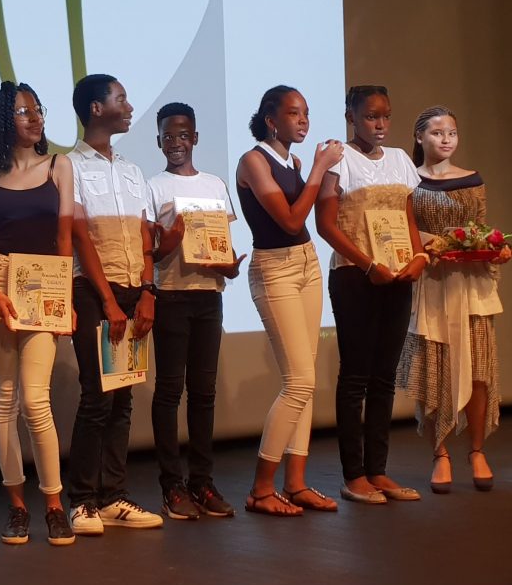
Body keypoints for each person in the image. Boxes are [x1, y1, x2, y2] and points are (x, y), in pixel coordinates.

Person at [0, 81, 76, 546]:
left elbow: (65, 235)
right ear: (2, 121)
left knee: (36, 400)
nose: (35, 118)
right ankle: (16, 505)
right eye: (23, 111)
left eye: (37, 109)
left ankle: (53, 503)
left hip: (44, 282)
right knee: (4, 399)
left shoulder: (58, 165)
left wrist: (66, 298)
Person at [315, 84, 428, 504]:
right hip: (355, 277)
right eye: (370, 116)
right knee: (356, 376)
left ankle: (378, 470)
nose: (380, 124)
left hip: (397, 276)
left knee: (385, 377)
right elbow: (326, 224)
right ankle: (354, 476)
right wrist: (367, 265)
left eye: (385, 116)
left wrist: (418, 257)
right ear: (351, 117)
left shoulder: (400, 159)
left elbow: (407, 216)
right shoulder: (339, 160)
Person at [236, 86, 344, 516]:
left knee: (307, 378)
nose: (303, 121)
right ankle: (261, 489)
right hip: (274, 269)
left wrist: (318, 171)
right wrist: (320, 167)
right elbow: (290, 219)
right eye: (294, 114)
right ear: (270, 120)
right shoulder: (253, 161)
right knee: (298, 381)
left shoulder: (293, 163)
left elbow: (306, 219)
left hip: (306, 263)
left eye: (306, 114)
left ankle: (295, 483)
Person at [65, 73, 163, 534]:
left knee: (123, 397)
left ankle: (113, 497)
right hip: (92, 290)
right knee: (97, 396)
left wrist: (147, 292)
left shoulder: (131, 169)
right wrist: (107, 301)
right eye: (121, 98)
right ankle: (82, 501)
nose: (129, 106)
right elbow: (80, 235)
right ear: (96, 108)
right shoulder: (68, 166)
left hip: (133, 290)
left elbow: (144, 235)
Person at [397, 106, 508, 493]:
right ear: (419, 137)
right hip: (431, 284)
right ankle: (440, 453)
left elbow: (481, 227)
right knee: (434, 371)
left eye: (452, 133)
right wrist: (433, 245)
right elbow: (404, 230)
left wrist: (492, 248)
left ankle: (476, 450)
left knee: (478, 370)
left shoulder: (472, 179)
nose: (446, 139)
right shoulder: (409, 181)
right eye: (437, 133)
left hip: (471, 284)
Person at [147, 102, 245, 519]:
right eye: (168, 136)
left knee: (204, 393)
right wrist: (170, 242)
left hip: (209, 296)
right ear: (158, 141)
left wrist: (230, 267)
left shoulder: (215, 184)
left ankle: (202, 482)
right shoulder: (153, 187)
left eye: (183, 135)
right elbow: (151, 252)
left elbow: (222, 247)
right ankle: (172, 486)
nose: (176, 143)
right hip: (170, 295)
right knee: (169, 392)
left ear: (196, 138)